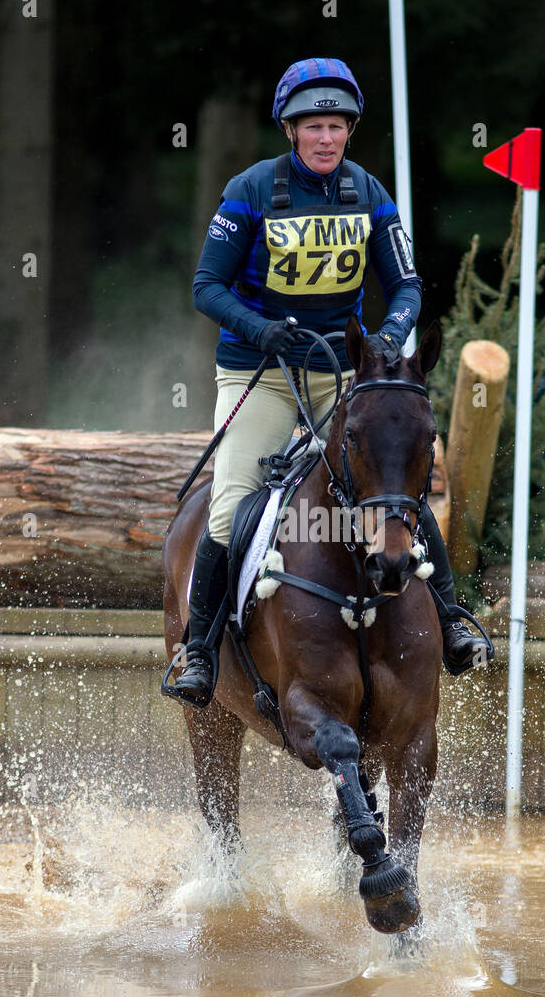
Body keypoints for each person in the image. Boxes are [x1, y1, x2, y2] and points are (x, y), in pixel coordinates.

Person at [175, 55, 481, 702]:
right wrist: (259, 330)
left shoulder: (368, 193)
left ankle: (451, 623)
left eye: (337, 126)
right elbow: (206, 286)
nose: (325, 138)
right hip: (261, 373)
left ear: (350, 131)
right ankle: (198, 653)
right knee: (229, 505)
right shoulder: (250, 190)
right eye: (312, 125)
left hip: (341, 374)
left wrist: (388, 341)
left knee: (396, 487)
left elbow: (404, 286)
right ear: (290, 130)